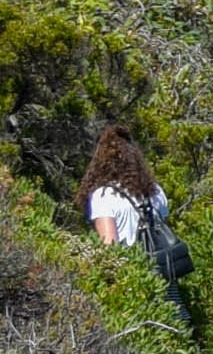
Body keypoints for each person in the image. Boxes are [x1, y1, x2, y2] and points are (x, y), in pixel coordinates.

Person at [84, 128, 196, 325]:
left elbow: (109, 248)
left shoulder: (104, 197)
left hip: (132, 280)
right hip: (164, 275)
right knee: (176, 326)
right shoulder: (155, 192)